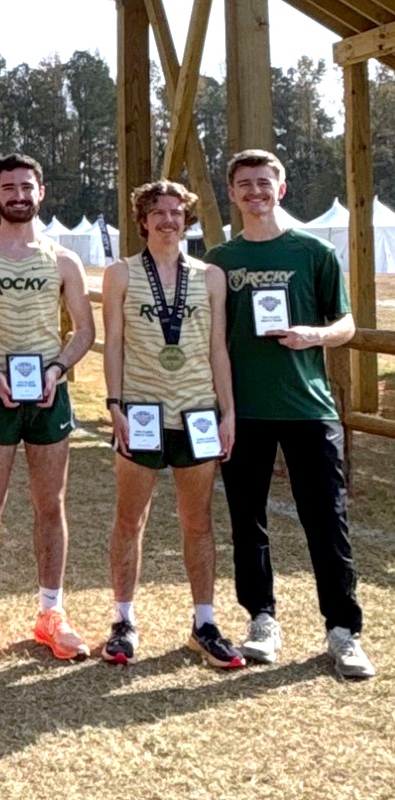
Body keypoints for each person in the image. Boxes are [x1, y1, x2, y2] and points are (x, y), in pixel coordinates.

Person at [205, 149, 375, 679]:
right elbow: (213, 343)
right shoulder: (220, 260)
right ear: (231, 194)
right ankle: (262, 621)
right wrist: (224, 411)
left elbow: (345, 322)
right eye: (244, 184)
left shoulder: (314, 251)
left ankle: (343, 632)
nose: (254, 192)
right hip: (245, 413)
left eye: (264, 182)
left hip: (309, 409)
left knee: (327, 521)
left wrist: (315, 336)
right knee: (247, 521)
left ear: (281, 188)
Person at [0, 153, 96, 662]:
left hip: (49, 395)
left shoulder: (63, 260)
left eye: (27, 186)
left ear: (41, 192)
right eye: (8, 187)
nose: (18, 195)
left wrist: (56, 371)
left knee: (50, 505)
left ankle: (51, 613)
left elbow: (84, 331)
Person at [100, 180, 243, 668]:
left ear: (187, 219)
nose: (168, 220)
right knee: (130, 517)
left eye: (176, 212)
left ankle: (204, 623)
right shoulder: (120, 273)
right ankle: (123, 621)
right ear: (143, 220)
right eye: (158, 212)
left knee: (198, 521)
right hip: (140, 411)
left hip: (198, 414)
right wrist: (114, 403)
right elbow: (114, 343)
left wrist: (228, 412)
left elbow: (217, 348)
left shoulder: (210, 276)